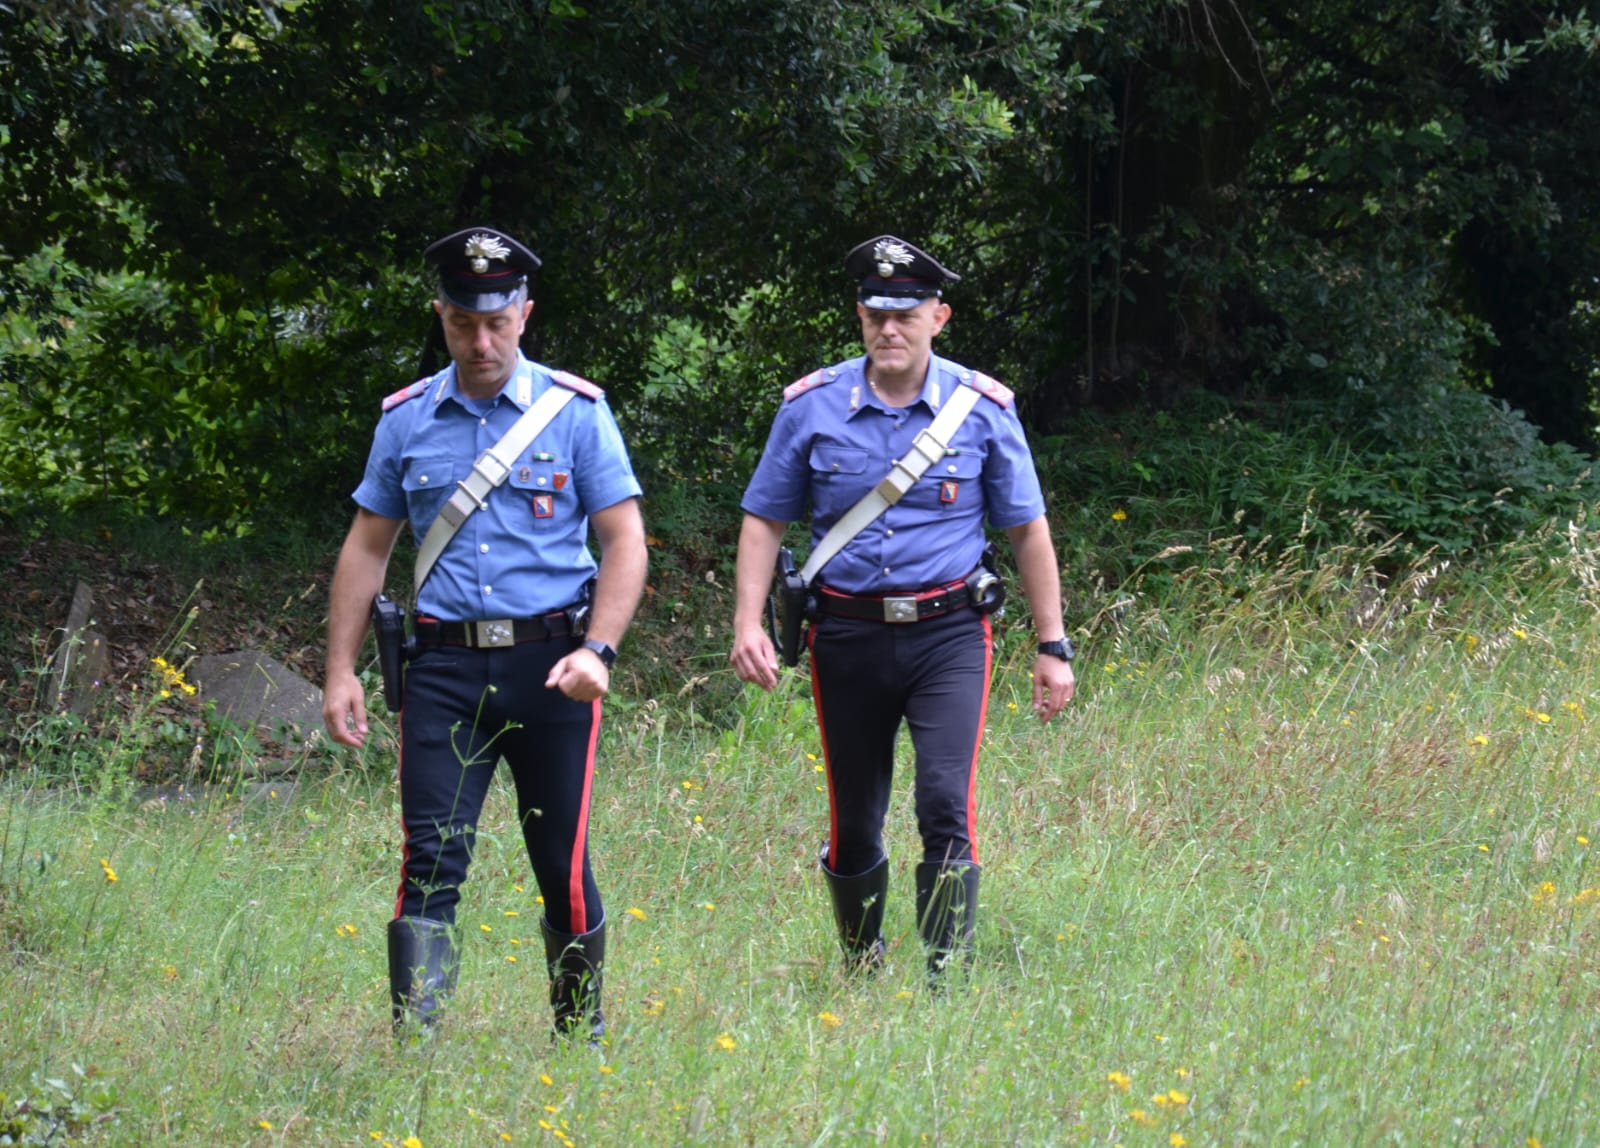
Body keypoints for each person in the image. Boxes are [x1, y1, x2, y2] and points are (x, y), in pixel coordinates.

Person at [321, 226, 647, 1042]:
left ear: (524, 315)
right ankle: (416, 1044)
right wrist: (340, 669)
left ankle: (580, 1038)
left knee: (562, 863)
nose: (482, 341)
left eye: (498, 322)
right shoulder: (406, 420)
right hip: (443, 671)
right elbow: (368, 547)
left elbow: (625, 541)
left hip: (553, 668)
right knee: (430, 859)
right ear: (442, 316)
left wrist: (599, 651)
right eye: (464, 323)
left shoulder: (575, 413)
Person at [729, 234, 1075, 983]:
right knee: (854, 817)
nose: (890, 329)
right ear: (860, 316)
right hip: (846, 637)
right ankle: (862, 964)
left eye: (906, 315)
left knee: (944, 802)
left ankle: (946, 976)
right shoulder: (811, 406)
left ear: (937, 318)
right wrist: (747, 622)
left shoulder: (982, 409)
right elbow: (764, 519)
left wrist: (1053, 645)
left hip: (950, 636)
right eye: (876, 315)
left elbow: (1028, 529)